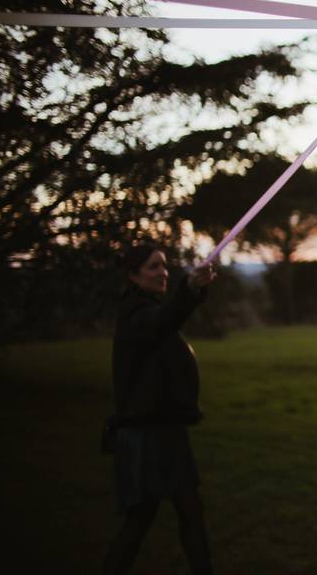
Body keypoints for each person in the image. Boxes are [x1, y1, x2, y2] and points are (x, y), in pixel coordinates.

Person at [103, 243, 217, 575]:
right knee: (140, 522)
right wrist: (190, 288)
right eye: (154, 267)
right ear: (133, 275)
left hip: (166, 433)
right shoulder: (135, 315)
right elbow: (163, 321)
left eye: (164, 266)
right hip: (145, 438)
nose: (163, 272)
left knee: (189, 514)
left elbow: (166, 320)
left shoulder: (146, 308)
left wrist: (191, 292)